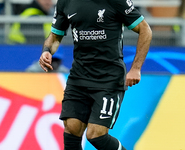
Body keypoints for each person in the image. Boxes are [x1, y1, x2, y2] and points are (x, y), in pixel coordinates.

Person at [39, 0, 152, 149]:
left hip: (109, 78)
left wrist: (136, 68)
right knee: (71, 128)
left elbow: (145, 30)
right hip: (78, 77)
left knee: (95, 134)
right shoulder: (65, 2)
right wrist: (47, 51)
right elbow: (55, 35)